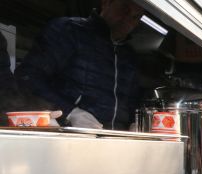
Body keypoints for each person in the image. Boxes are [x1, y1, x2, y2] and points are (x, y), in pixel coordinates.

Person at [14, 0, 143, 130]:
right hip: (67, 136)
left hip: (118, 140)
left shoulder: (129, 56)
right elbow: (27, 76)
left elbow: (132, 101)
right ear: (106, 3)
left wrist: (135, 121)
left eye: (135, 17)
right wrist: (70, 112)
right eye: (124, 10)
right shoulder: (67, 30)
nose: (128, 20)